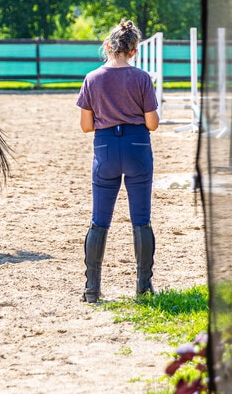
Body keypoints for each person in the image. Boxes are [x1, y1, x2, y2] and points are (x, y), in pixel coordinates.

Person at [75, 19, 160, 302]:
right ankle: (143, 287)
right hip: (137, 147)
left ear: (108, 46)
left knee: (99, 219)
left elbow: (86, 126)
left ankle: (92, 289)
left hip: (106, 148)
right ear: (134, 51)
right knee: (141, 219)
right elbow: (152, 123)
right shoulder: (142, 78)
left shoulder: (92, 78)